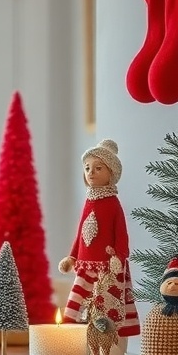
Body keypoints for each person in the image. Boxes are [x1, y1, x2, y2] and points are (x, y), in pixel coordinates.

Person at [59, 138, 140, 336]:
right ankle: (72, 339)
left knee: (107, 307)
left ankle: (110, 343)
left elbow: (121, 233)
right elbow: (81, 231)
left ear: (111, 173)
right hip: (85, 266)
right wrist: (72, 257)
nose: (91, 173)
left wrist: (119, 257)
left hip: (107, 267)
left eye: (98, 168)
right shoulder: (88, 201)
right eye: (87, 168)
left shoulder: (113, 204)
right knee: (76, 304)